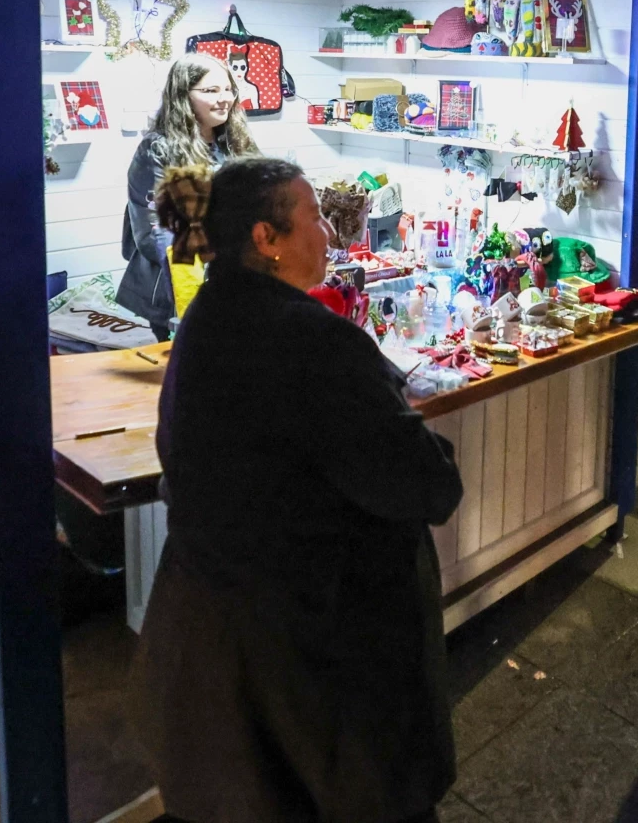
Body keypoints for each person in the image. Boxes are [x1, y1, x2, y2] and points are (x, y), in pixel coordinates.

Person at [130, 158, 464, 823]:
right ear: (267, 239)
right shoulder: (312, 341)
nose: (329, 233)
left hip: (219, 650)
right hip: (318, 663)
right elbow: (427, 486)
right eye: (313, 216)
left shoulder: (205, 320)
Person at [119, 55, 260, 341]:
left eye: (228, 89)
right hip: (174, 287)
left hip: (232, 280)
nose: (224, 98)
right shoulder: (158, 148)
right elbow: (155, 232)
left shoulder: (235, 141)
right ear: (183, 95)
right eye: (211, 91)